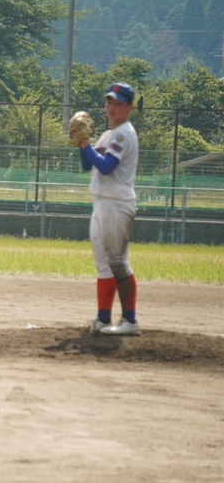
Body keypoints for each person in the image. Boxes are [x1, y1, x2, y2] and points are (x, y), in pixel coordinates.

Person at [74, 82, 140, 336]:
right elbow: (87, 165)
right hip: (101, 202)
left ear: (129, 107)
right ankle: (103, 319)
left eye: (118, 103)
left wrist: (85, 146)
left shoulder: (124, 133)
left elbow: (106, 166)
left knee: (118, 262)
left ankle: (130, 322)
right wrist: (83, 142)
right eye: (109, 102)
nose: (112, 107)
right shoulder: (107, 134)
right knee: (103, 264)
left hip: (117, 204)